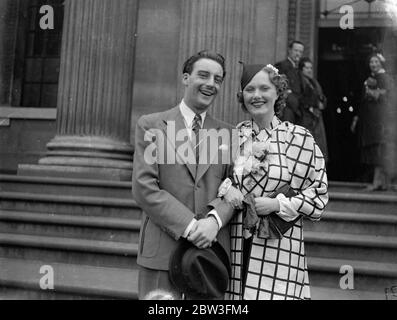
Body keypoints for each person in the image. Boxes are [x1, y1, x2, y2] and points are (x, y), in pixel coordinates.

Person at [132, 50, 235, 299]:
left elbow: (235, 188)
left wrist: (213, 221)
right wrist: (190, 226)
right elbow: (144, 187)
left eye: (218, 79)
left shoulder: (228, 133)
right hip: (162, 252)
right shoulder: (152, 125)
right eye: (203, 75)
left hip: (209, 255)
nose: (211, 83)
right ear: (186, 78)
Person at [221, 64, 328, 300]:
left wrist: (277, 204)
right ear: (242, 96)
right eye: (249, 89)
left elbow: (318, 195)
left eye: (264, 88)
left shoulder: (299, 138)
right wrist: (226, 189)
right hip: (236, 244)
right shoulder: (231, 136)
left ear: (278, 92)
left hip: (280, 247)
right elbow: (217, 180)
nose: (256, 95)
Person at [351, 53, 394, 191]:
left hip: (379, 120)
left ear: (381, 63)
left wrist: (374, 93)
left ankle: (379, 182)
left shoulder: (385, 78)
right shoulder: (372, 78)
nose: (373, 64)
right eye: (371, 62)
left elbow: (387, 96)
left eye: (375, 62)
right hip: (371, 120)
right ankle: (382, 182)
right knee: (376, 150)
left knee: (379, 150)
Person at [299, 57, 329, 163]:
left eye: (310, 68)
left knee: (317, 147)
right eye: (306, 68)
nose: (309, 70)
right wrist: (315, 104)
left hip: (316, 117)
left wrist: (322, 103)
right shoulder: (300, 81)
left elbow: (322, 96)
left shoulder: (314, 82)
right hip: (306, 117)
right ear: (301, 69)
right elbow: (302, 99)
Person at [275, 41, 305, 124]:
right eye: (296, 51)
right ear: (289, 50)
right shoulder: (281, 66)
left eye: (300, 52)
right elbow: (280, 87)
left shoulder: (299, 70)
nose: (298, 54)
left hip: (297, 112)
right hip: (286, 110)